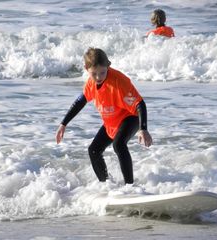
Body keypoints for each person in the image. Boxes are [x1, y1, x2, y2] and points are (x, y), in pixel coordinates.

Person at [55, 48, 152, 185]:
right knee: (93, 150)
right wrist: (63, 124)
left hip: (131, 117)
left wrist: (143, 128)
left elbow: (139, 103)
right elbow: (80, 102)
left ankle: (130, 186)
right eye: (94, 74)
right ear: (86, 69)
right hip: (111, 123)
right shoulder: (91, 83)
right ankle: (106, 185)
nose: (99, 77)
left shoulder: (119, 81)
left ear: (108, 66)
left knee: (118, 144)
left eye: (102, 72)